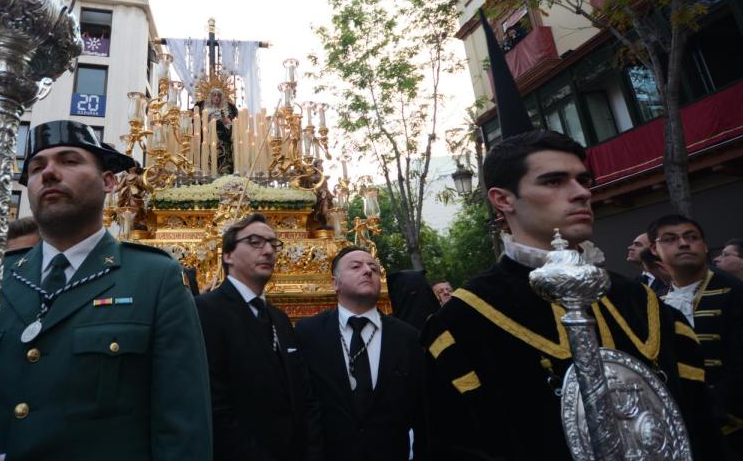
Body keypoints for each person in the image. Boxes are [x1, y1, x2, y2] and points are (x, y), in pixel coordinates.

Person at [420, 130, 718, 460]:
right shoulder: (463, 322)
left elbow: (701, 428)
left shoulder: (643, 303)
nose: (581, 193)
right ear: (503, 200)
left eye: (582, 180)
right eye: (554, 181)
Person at [0, 119, 212, 460]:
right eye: (37, 168)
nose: (48, 173)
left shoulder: (155, 278)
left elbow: (182, 422)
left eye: (69, 161)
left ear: (108, 181)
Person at [195, 212, 323, 461]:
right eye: (255, 242)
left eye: (273, 244)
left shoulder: (280, 320)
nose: (267, 251)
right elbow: (214, 404)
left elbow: (304, 395)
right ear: (228, 255)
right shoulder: (206, 311)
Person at [295, 246, 426, 460]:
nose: (367, 271)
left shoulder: (406, 337)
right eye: (356, 266)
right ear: (335, 283)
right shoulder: (308, 333)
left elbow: (421, 410)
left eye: (373, 268)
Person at [650, 214, 743, 456]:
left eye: (691, 237)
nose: (683, 243)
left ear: (704, 245)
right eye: (670, 239)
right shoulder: (653, 303)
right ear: (655, 250)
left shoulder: (735, 292)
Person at [195, 88, 238, 175]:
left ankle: (224, 172)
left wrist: (224, 119)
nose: (216, 97)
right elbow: (203, 125)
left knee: (224, 156)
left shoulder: (224, 111)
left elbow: (229, 125)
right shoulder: (206, 111)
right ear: (211, 98)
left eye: (218, 95)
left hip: (223, 138)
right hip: (210, 136)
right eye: (214, 95)